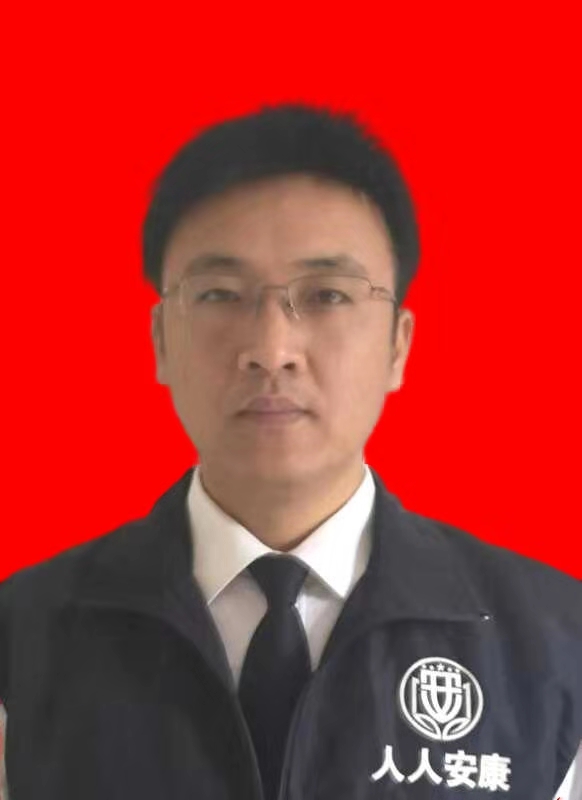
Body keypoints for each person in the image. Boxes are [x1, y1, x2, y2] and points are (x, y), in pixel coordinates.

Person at [0, 102, 581, 800]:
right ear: (160, 340)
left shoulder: (555, 646)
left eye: (328, 295)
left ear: (398, 345)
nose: (271, 349)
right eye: (220, 294)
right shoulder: (22, 639)